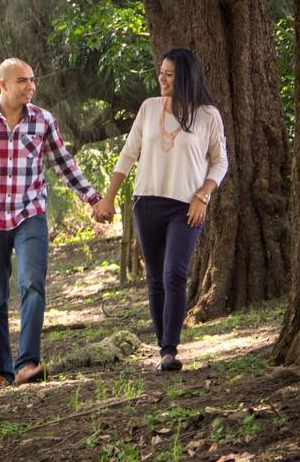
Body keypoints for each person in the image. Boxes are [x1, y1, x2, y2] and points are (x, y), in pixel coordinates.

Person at [0, 58, 104, 391]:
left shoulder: (43, 121)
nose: (31, 87)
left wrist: (92, 199)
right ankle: (0, 372)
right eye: (22, 81)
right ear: (3, 84)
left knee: (33, 283)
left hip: (30, 212)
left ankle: (27, 363)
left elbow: (64, 164)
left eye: (32, 80)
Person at [92, 48, 228, 372]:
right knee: (154, 277)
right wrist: (108, 198)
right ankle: (163, 349)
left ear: (185, 78)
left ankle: (171, 348)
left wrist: (204, 195)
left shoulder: (208, 115)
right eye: (161, 72)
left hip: (186, 207)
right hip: (147, 203)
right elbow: (128, 154)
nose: (162, 79)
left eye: (169, 74)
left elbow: (220, 161)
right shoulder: (149, 108)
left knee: (175, 272)